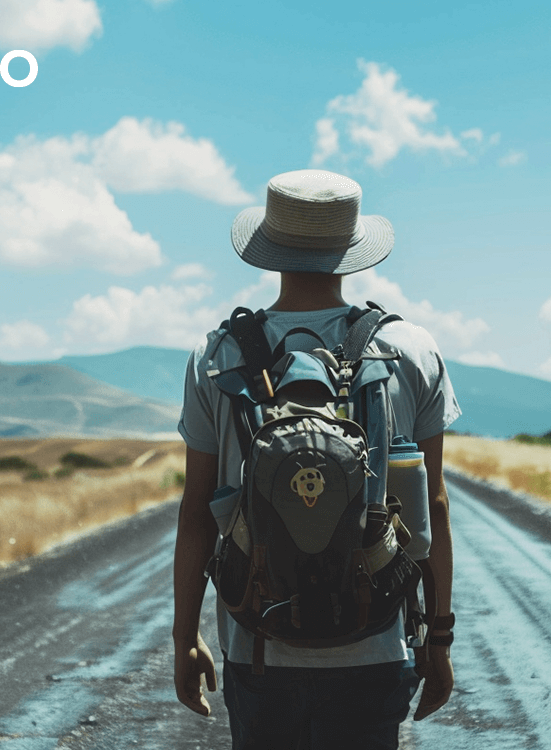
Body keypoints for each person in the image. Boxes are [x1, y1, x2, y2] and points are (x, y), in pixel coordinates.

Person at [173, 168, 458, 749]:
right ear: (352, 248)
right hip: (374, 640)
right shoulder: (410, 350)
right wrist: (438, 636)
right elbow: (432, 506)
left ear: (269, 248)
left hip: (257, 644)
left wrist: (184, 638)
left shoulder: (217, 354)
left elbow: (196, 512)